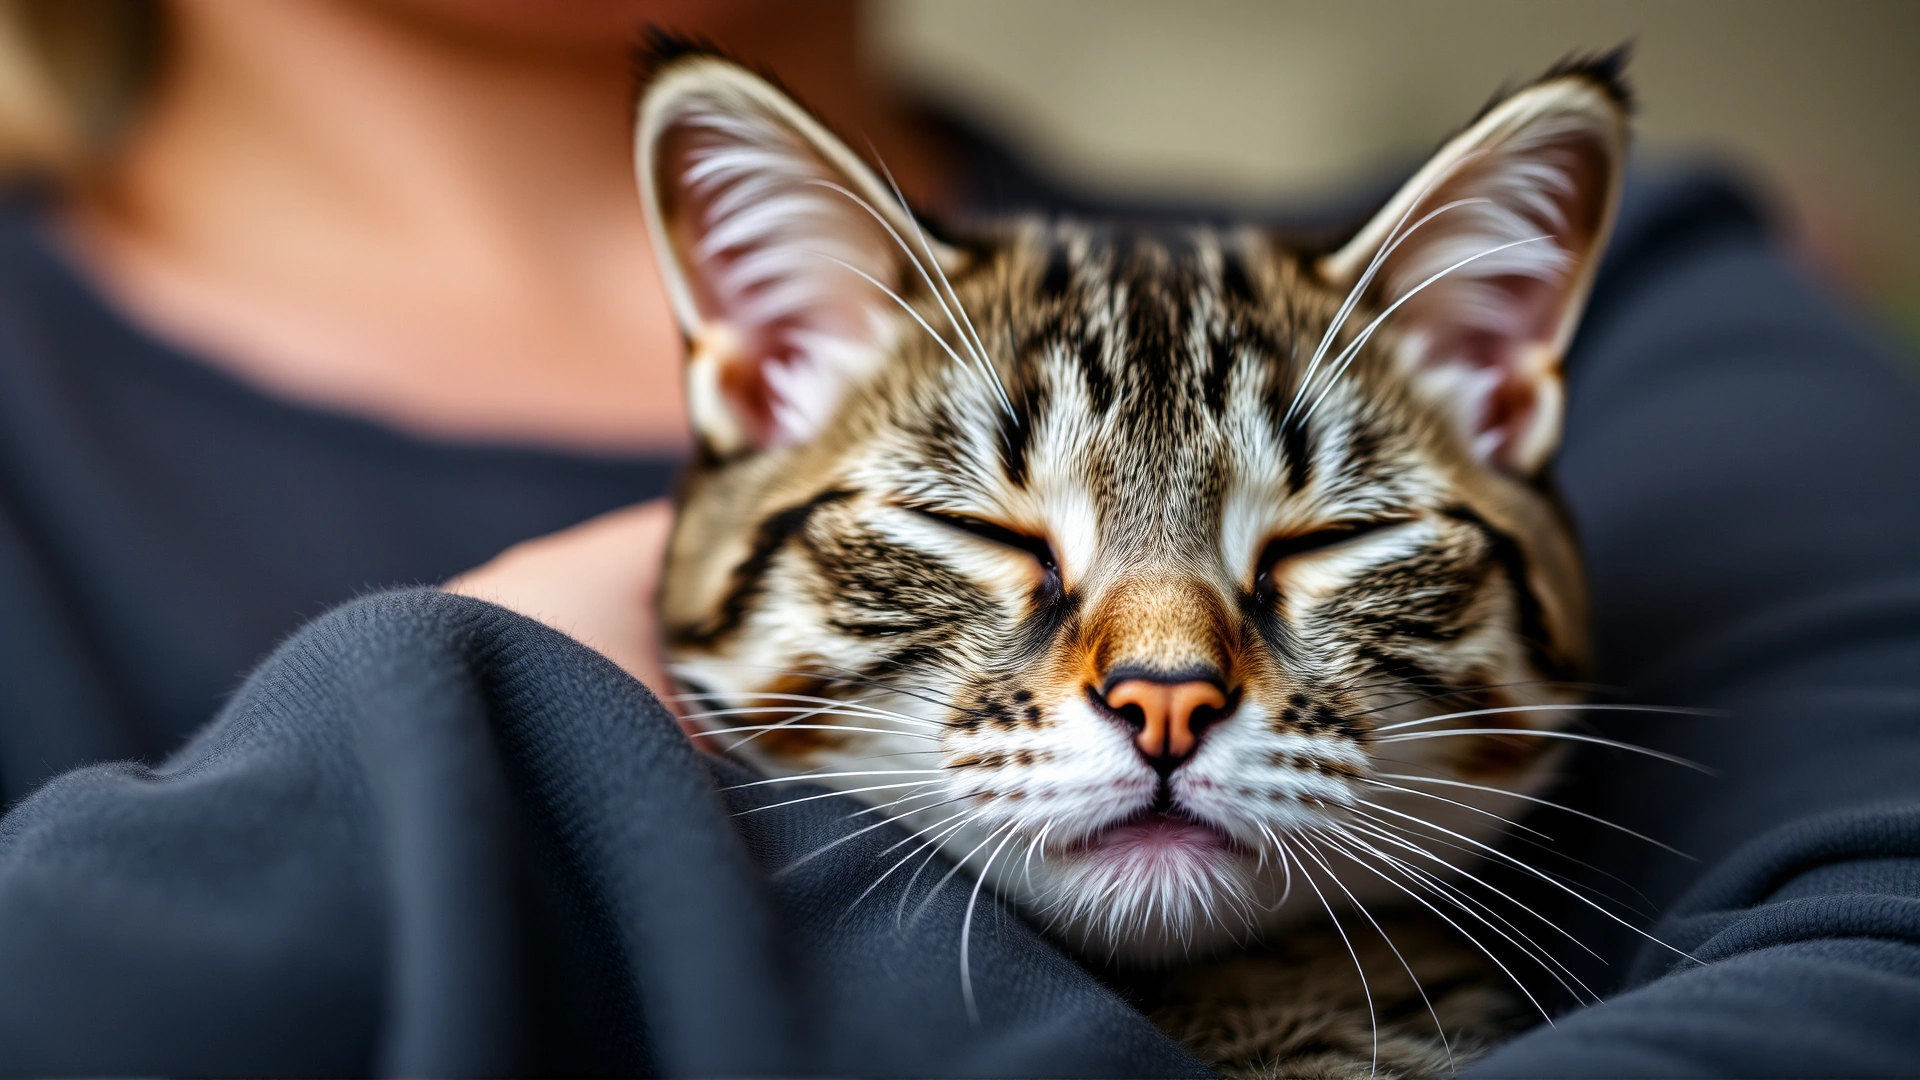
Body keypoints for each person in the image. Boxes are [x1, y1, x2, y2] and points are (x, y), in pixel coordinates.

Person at [1, 1, 1917, 1075]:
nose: (1167, 681)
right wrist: (480, 708)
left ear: (1504, 400)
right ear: (755, 356)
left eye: (1314, 551)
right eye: (978, 537)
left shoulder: (1671, 302)